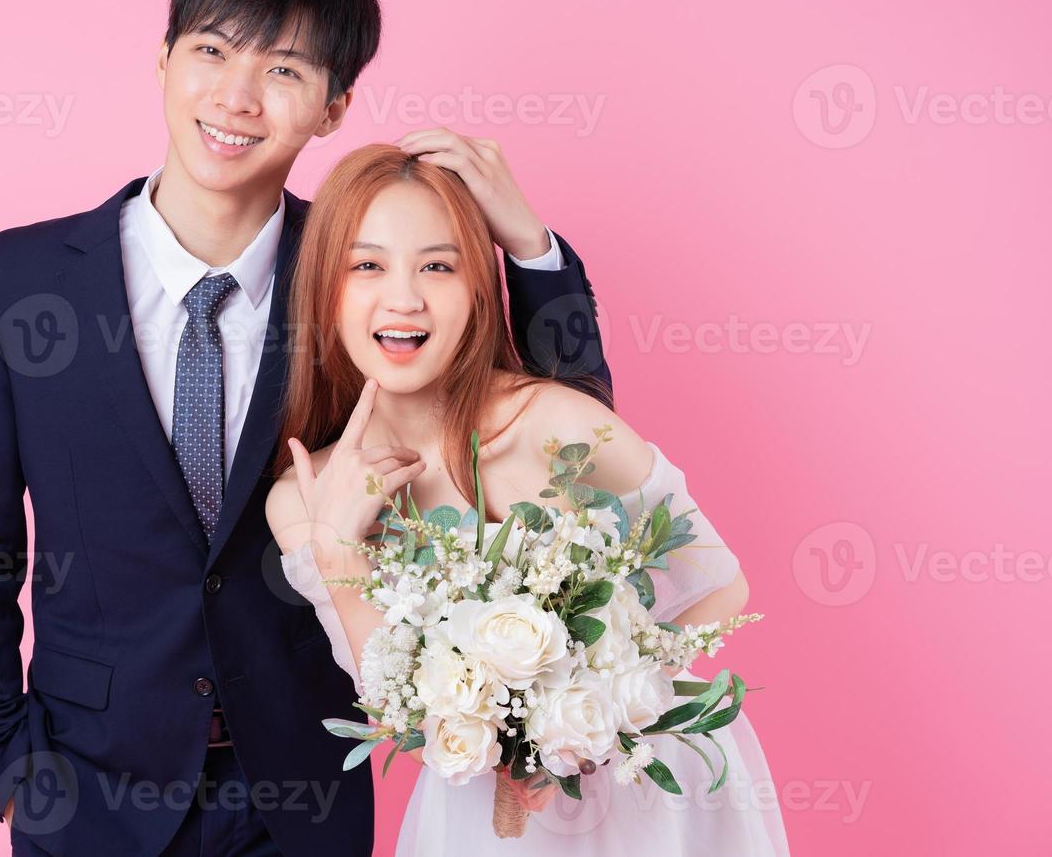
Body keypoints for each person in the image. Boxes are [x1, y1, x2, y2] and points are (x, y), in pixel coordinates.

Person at [0, 0, 612, 857]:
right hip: (85, 794)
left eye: (285, 69)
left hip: (300, 795)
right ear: (162, 59)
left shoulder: (360, 281)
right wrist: (2, 765)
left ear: (333, 108)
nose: (237, 96)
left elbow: (567, 451)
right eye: (211, 50)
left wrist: (528, 248)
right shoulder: (22, 282)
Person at [265, 144, 790, 854]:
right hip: (487, 819)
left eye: (438, 266)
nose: (404, 298)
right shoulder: (303, 498)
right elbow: (407, 724)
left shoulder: (558, 425)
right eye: (367, 266)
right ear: (324, 289)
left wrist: (580, 725)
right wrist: (336, 549)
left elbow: (722, 588)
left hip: (656, 794)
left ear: (480, 289)